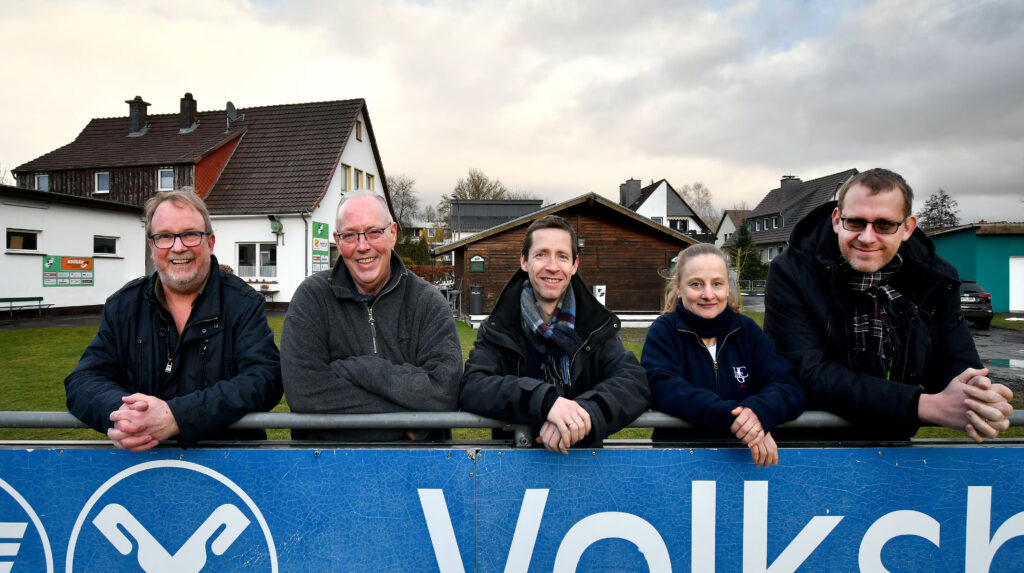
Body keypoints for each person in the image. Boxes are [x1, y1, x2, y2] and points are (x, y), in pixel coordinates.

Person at [764, 168, 1013, 441]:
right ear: (837, 220)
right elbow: (806, 372)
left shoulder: (935, 279)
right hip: (809, 446)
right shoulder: (793, 272)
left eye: (884, 225)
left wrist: (976, 394)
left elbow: (954, 362)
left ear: (907, 228)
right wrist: (921, 405)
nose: (867, 237)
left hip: (892, 449)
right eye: (856, 222)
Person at [65, 191, 283, 450]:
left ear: (210, 242)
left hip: (229, 466)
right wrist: (125, 416)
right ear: (152, 247)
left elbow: (265, 379)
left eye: (190, 234)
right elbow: (83, 380)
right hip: (141, 467)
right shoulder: (124, 306)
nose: (178, 247)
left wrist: (178, 416)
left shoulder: (243, 303)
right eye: (165, 236)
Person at [459, 215, 650, 454]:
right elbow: (474, 387)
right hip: (512, 468)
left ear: (574, 265)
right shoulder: (499, 327)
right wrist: (545, 402)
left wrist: (582, 414)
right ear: (524, 262)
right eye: (541, 254)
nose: (552, 266)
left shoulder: (595, 327)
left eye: (562, 256)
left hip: (583, 467)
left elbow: (633, 382)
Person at [281, 190, 462, 441]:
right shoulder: (311, 299)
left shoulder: (428, 302)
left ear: (393, 234)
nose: (362, 246)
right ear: (337, 239)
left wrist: (362, 369)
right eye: (350, 235)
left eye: (374, 232)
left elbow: (444, 391)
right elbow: (303, 391)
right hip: (326, 467)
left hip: (418, 470)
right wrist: (407, 418)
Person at [642, 244, 804, 467]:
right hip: (677, 465)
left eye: (717, 284)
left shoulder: (747, 331)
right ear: (678, 288)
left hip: (744, 466)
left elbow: (787, 385)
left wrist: (760, 412)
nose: (708, 295)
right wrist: (735, 418)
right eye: (696, 284)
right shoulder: (664, 332)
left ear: (728, 287)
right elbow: (662, 388)